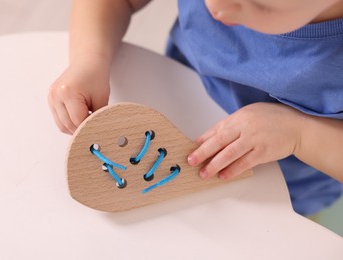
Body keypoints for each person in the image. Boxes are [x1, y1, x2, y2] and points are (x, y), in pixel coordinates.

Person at [47, 0, 343, 216]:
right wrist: (89, 58)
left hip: (280, 184)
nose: (217, 7)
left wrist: (298, 133)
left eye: (259, 5)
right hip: (167, 112)